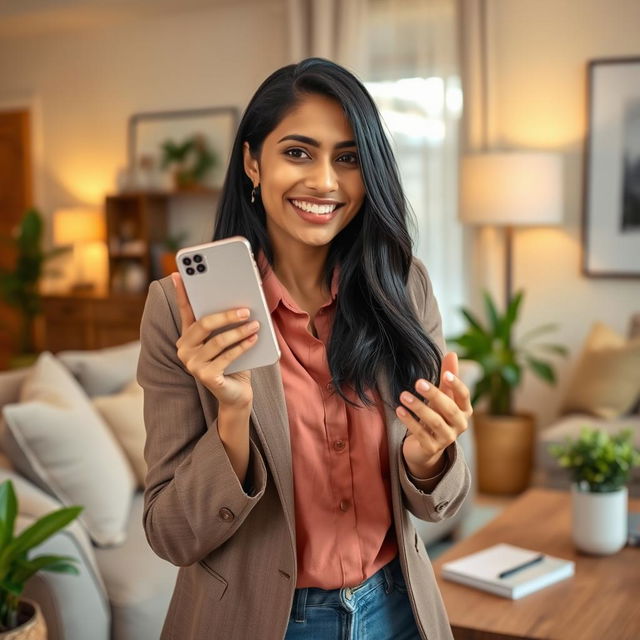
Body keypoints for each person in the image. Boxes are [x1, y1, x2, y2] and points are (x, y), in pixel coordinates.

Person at [137, 57, 473, 640]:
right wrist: (232, 417)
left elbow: (442, 503)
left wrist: (428, 458)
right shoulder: (178, 309)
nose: (324, 181)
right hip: (265, 622)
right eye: (298, 152)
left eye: (347, 158)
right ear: (252, 162)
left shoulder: (404, 286)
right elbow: (171, 535)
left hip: (401, 610)